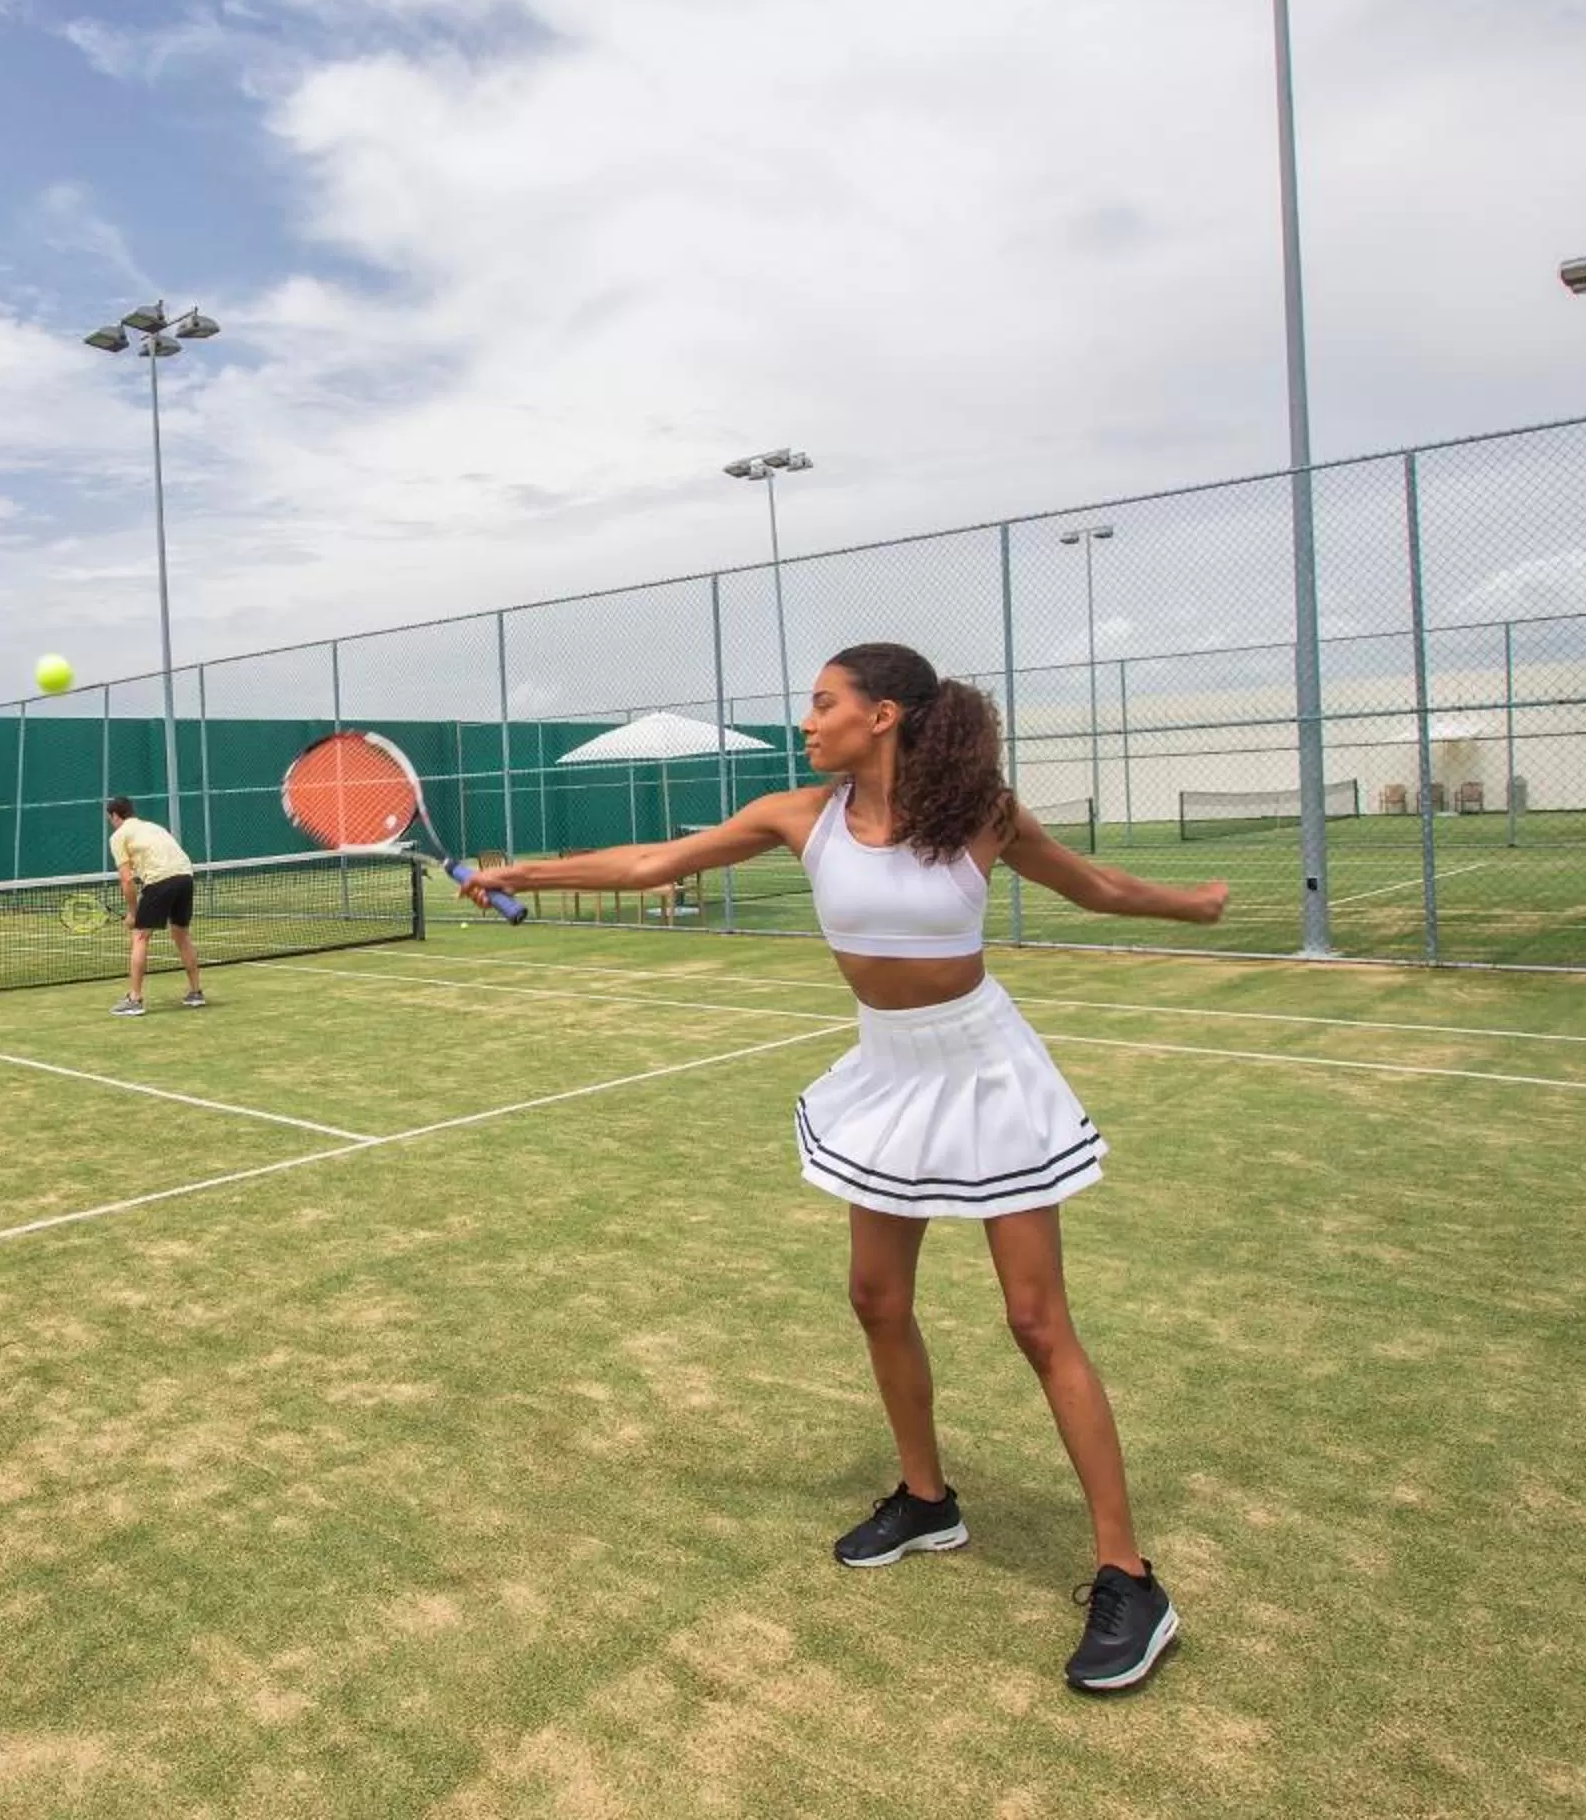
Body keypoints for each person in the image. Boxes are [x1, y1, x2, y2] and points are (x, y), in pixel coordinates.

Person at [462, 642, 1227, 1694]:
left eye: (824, 703)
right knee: (875, 1298)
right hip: (888, 1070)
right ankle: (927, 1499)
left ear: (886, 714)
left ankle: (1129, 1576)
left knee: (1037, 1321)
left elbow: (1091, 884)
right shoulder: (799, 816)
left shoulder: (984, 814)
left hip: (984, 1070)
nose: (808, 721)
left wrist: (1190, 903)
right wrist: (522, 874)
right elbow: (651, 863)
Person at [104, 796, 203, 1016]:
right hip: (186, 877)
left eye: (110, 818)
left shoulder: (118, 836)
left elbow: (127, 879)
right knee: (181, 935)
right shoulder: (153, 827)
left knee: (140, 936)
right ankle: (196, 992)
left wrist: (133, 913)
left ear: (115, 816)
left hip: (161, 880)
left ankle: (134, 1000)